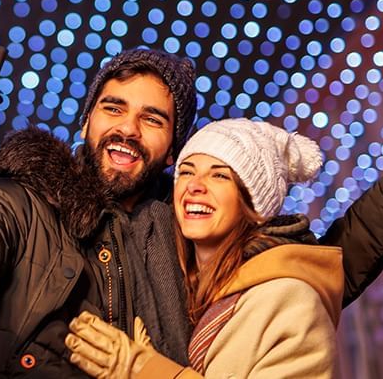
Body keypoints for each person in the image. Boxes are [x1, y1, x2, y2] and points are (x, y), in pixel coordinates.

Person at [0, 47, 383, 377]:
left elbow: (305, 266)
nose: (128, 128)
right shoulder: (22, 205)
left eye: (152, 119)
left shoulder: (182, 228)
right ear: (87, 121)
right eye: (113, 108)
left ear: (171, 146)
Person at [65, 118, 340, 378]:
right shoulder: (182, 290)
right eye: (186, 172)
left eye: (219, 176)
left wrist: (142, 369)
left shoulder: (290, 300)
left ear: (253, 203)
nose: (195, 185)